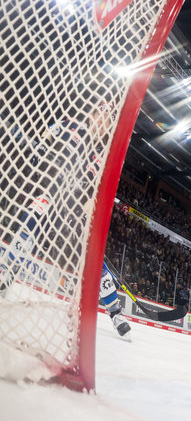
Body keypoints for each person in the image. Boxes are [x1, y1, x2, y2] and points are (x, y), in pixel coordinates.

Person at [0, 102, 131, 340]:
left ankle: (116, 313)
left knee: (94, 255)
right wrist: (42, 145)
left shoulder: (99, 157)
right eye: (101, 115)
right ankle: (6, 273)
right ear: (92, 115)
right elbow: (49, 133)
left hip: (71, 212)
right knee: (31, 218)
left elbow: (91, 193)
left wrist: (89, 207)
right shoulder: (73, 126)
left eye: (108, 120)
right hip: (51, 193)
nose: (104, 122)